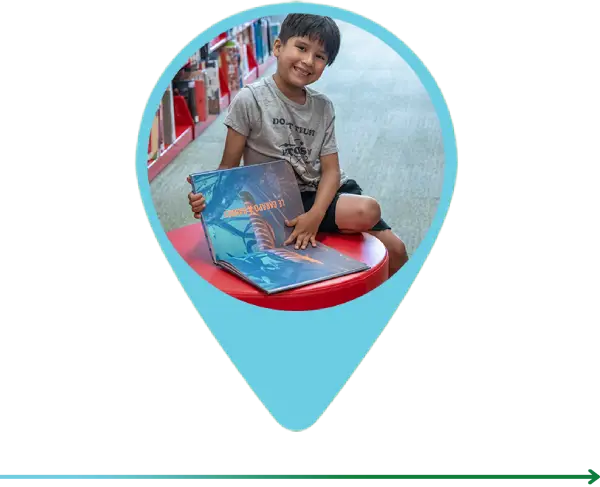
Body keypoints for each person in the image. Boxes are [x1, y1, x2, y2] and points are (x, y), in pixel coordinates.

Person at [187, 14, 408, 277]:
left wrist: (315, 216)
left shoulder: (323, 106)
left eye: (320, 56)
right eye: (302, 48)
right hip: (274, 200)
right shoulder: (250, 99)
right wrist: (208, 198)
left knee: (395, 248)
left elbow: (331, 171)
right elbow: (229, 166)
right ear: (278, 47)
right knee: (365, 211)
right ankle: (305, 226)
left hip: (320, 193)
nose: (308, 61)